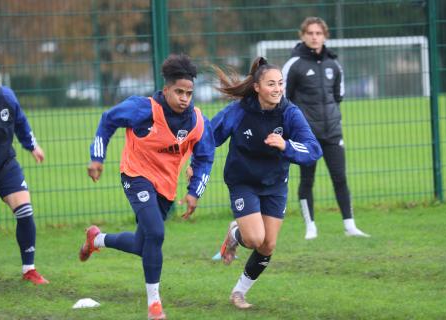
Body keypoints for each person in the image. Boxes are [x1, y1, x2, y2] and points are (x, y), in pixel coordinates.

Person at [80, 53, 215, 320]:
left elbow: (205, 158)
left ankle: (97, 239)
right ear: (166, 90)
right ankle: (154, 305)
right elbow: (108, 119)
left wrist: (194, 192)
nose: (184, 98)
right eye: (179, 92)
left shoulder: (199, 122)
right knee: (156, 231)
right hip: (135, 175)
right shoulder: (144, 109)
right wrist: (97, 158)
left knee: (144, 243)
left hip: (165, 187)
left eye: (189, 92)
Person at [212, 57, 322, 309]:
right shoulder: (239, 111)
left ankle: (238, 292)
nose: (277, 89)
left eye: (280, 83)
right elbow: (210, 135)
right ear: (257, 87)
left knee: (268, 244)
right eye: (271, 84)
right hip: (243, 181)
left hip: (274, 184)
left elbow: (313, 149)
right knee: (253, 239)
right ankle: (235, 233)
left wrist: (286, 145)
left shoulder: (290, 113)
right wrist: (196, 163)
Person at [281, 17, 370, 240]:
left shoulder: (334, 64)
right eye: (310, 33)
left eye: (318, 33)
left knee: (340, 178)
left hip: (332, 133)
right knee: (307, 180)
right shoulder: (294, 64)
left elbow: (338, 97)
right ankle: (310, 227)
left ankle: (350, 226)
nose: (314, 37)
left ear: (325, 36)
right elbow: (283, 100)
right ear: (302, 35)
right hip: (306, 137)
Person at [0, 51, 48, 284]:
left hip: (6, 165)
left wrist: (32, 146)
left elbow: (20, 122)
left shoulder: (7, 98)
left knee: (24, 210)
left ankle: (29, 269)